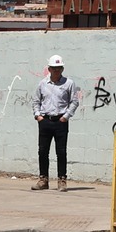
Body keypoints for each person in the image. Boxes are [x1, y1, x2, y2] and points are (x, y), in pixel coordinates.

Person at [31, 54, 82, 191]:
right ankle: (43, 180)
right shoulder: (42, 84)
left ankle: (62, 180)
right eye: (54, 68)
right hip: (46, 120)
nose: (56, 71)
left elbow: (74, 102)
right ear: (49, 69)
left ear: (62, 69)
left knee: (61, 152)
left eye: (59, 68)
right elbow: (36, 101)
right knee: (42, 151)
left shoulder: (68, 83)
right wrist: (38, 116)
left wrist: (66, 116)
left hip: (60, 121)